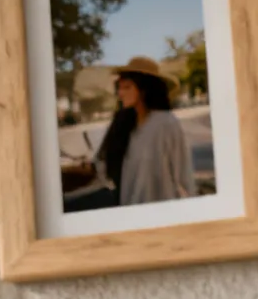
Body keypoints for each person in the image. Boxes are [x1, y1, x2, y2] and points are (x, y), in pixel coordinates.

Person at [73, 56, 195, 210]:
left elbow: (184, 173)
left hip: (162, 212)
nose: (120, 93)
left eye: (127, 87)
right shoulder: (125, 125)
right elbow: (104, 166)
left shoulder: (166, 123)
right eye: (120, 87)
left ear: (144, 90)